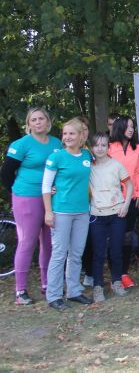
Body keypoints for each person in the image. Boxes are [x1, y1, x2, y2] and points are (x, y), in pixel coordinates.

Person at [1, 108, 61, 305]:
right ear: (28, 124)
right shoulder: (21, 144)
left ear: (48, 121)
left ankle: (47, 284)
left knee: (48, 242)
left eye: (41, 118)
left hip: (50, 198)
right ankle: (20, 290)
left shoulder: (56, 143)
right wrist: (18, 192)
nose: (38, 122)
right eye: (33, 120)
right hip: (27, 197)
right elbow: (6, 173)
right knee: (27, 242)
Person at [42, 117, 94, 310]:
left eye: (72, 133)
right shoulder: (56, 157)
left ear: (81, 136)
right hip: (61, 211)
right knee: (59, 254)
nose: (67, 137)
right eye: (65, 133)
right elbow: (46, 186)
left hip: (82, 212)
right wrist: (48, 212)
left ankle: (74, 291)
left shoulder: (87, 156)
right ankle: (54, 296)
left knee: (76, 253)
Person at [87, 132, 133, 302]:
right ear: (91, 147)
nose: (100, 148)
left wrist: (126, 205)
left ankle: (116, 282)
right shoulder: (88, 167)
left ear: (108, 147)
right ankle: (98, 286)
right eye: (96, 145)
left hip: (116, 214)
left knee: (116, 250)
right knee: (98, 252)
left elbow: (129, 185)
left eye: (103, 145)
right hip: (96, 214)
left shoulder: (116, 165)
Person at [108, 115, 139, 289]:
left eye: (132, 126)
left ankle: (124, 273)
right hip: (112, 199)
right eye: (128, 126)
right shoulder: (108, 147)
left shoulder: (137, 148)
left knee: (128, 236)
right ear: (119, 127)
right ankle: (114, 274)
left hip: (131, 197)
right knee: (114, 236)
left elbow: (136, 173)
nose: (131, 129)